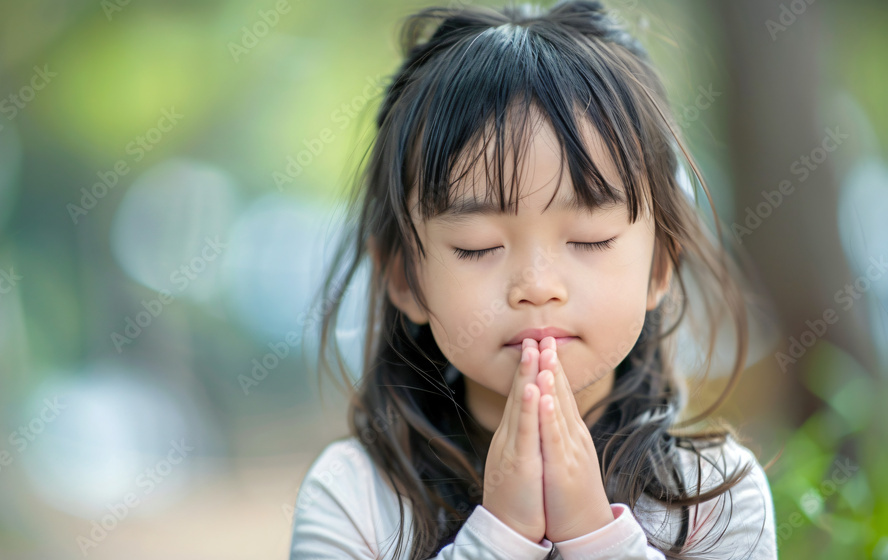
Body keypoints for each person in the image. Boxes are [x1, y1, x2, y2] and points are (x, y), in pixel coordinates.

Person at [289, 1, 778, 558]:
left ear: (660, 266)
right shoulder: (355, 499)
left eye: (590, 239)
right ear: (406, 279)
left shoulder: (715, 499)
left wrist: (594, 534)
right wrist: (499, 534)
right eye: (479, 247)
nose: (537, 286)